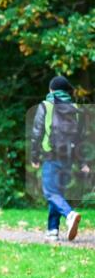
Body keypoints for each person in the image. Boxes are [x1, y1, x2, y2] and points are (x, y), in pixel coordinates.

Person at [30, 75, 90, 241]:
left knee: (50, 192)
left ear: (51, 90)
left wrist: (34, 156)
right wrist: (82, 162)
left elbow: (37, 133)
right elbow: (79, 138)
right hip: (68, 157)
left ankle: (69, 215)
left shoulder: (46, 106)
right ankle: (52, 230)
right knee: (57, 194)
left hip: (51, 155)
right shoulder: (75, 108)